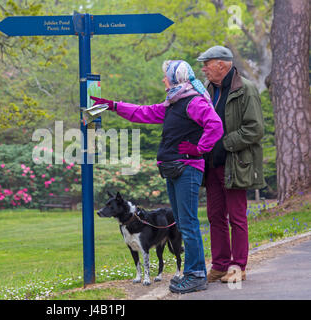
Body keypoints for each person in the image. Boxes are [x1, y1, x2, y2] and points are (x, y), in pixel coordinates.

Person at [91, 60, 223, 294]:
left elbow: (215, 124)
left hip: (187, 169)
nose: (163, 80)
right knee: (182, 223)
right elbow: (142, 113)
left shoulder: (193, 102)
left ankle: (196, 275)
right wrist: (113, 105)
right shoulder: (174, 103)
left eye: (166, 76)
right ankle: (195, 273)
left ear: (176, 79)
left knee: (189, 224)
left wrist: (199, 148)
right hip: (173, 170)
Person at [197, 46, 266, 283]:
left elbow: (255, 129)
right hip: (212, 165)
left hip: (235, 162)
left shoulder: (245, 89)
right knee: (215, 216)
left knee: (237, 217)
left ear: (222, 65)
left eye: (207, 64)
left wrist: (224, 142)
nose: (203, 69)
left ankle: (238, 266)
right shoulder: (208, 90)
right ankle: (219, 265)